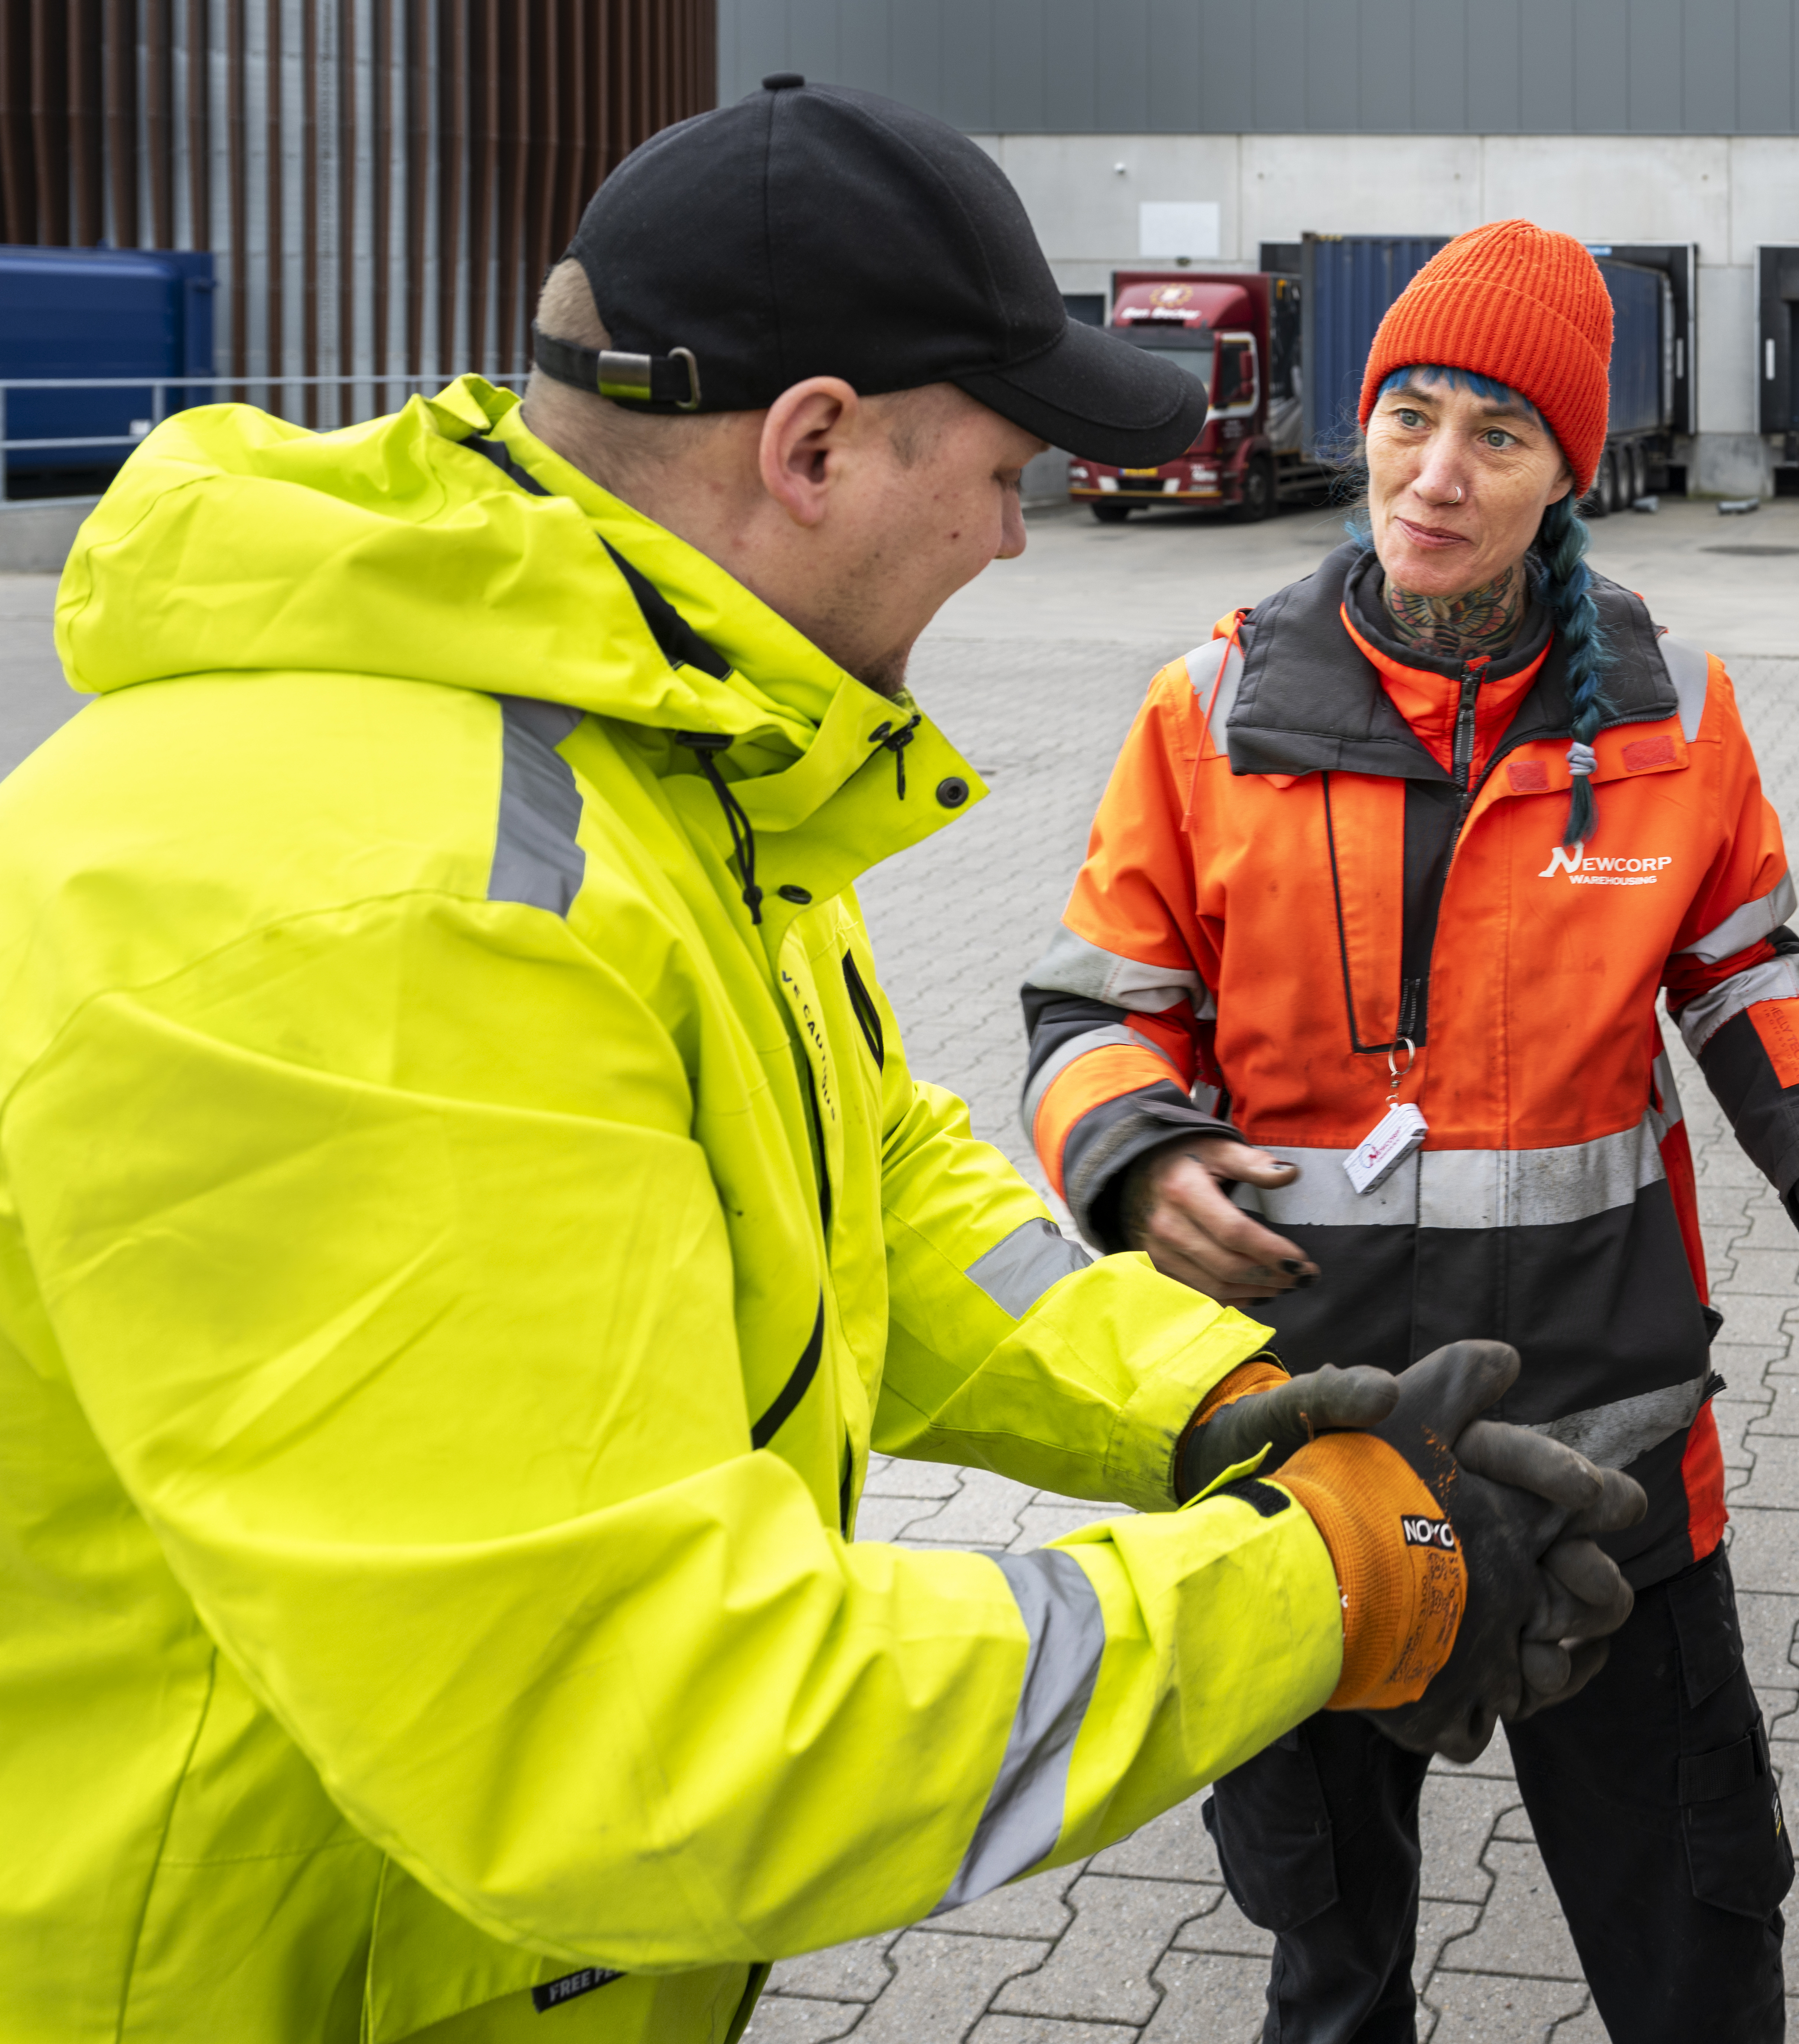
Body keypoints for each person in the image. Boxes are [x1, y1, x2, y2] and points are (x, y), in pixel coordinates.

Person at [0, 84, 1642, 2044]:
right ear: (812, 448)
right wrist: (1327, 1587)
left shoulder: (649, 756)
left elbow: (862, 1199)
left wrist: (1219, 1407)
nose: (1015, 544)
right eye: (1003, 472)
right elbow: (635, 1729)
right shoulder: (390, 921)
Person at [1019, 219, 1799, 2044]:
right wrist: (1142, 1155)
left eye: (1498, 433)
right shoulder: (1215, 704)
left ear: (1579, 466)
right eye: (1409, 415)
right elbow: (1100, 1006)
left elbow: (1743, 967)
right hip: (1305, 1444)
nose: (1437, 472)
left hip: (1609, 1447)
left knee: (1698, 1949)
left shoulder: (1668, 712)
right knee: (1333, 1969)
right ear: (1360, 422)